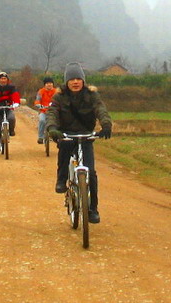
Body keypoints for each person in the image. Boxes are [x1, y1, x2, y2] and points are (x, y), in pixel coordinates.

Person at [45, 62, 112, 224]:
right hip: (66, 135)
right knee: (65, 149)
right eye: (72, 79)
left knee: (91, 173)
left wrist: (106, 124)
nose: (75, 82)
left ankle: (93, 209)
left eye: (78, 79)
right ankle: (61, 180)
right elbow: (52, 112)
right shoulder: (59, 96)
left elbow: (100, 109)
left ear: (83, 81)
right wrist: (52, 128)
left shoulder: (92, 95)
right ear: (66, 82)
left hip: (86, 135)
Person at [0, 71, 20, 152]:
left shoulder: (11, 87)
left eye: (5, 78)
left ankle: (11, 131)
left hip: (8, 107)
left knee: (11, 118)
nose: (3, 80)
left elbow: (15, 95)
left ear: (7, 79)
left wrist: (16, 103)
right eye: (2, 79)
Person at [33, 76, 57, 144]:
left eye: (50, 83)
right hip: (43, 110)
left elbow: (59, 100)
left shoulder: (56, 92)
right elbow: (37, 100)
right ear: (44, 84)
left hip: (53, 111)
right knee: (42, 120)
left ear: (53, 84)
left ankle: (56, 136)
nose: (49, 85)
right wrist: (39, 105)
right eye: (47, 83)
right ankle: (40, 137)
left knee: (56, 122)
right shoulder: (41, 91)